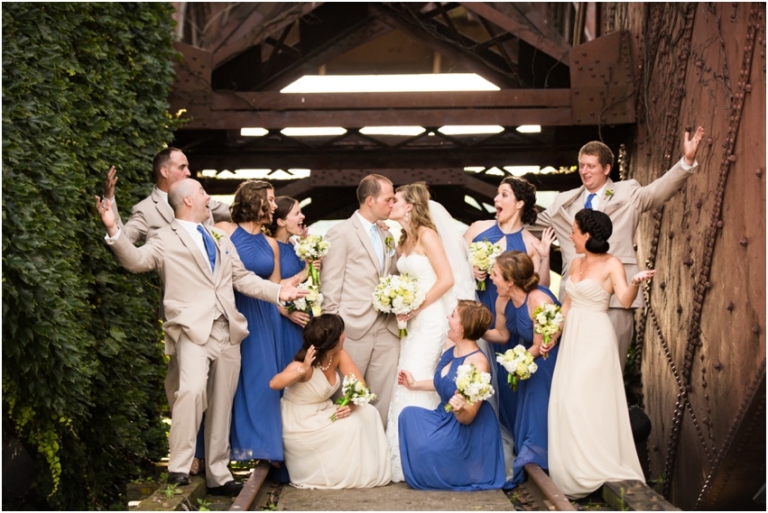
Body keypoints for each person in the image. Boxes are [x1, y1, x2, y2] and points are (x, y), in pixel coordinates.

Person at [94, 179, 306, 495]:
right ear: (188, 201)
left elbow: (242, 278)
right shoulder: (164, 238)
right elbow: (136, 261)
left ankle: (218, 474)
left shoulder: (220, 236)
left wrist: (279, 291)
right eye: (203, 193)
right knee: (191, 392)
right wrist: (114, 229)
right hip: (193, 330)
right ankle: (179, 466)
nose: (209, 197)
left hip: (228, 330)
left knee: (222, 402)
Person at [104, 148, 231, 475]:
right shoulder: (146, 211)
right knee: (185, 389)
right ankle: (186, 459)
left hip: (221, 311)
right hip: (184, 316)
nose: (189, 171)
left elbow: (231, 210)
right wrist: (111, 216)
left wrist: (261, 204)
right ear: (165, 171)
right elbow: (130, 248)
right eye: (183, 166)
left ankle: (212, 464)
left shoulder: (199, 197)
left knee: (216, 393)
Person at [535, 127, 705, 368]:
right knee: (576, 368)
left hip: (615, 294)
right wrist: (488, 225)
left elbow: (657, 192)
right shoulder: (564, 200)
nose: (584, 171)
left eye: (591, 166)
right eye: (582, 165)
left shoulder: (627, 192)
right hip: (575, 298)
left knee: (610, 368)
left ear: (606, 169)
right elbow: (531, 226)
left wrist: (686, 161)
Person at [547, 209, 654, 499]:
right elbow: (567, 306)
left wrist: (634, 282)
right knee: (566, 399)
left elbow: (624, 300)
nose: (570, 234)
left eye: (574, 230)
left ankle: (597, 466)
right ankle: (574, 467)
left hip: (596, 336)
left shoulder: (612, 263)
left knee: (584, 399)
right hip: (572, 338)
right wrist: (551, 335)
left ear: (588, 235)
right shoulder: (576, 262)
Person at [384, 183, 455, 482]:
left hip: (430, 319)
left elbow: (447, 279)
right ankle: (402, 454)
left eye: (395, 200)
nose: (391, 204)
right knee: (404, 377)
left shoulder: (428, 235)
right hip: (411, 321)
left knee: (419, 376)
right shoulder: (402, 239)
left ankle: (426, 452)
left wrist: (416, 306)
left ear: (410, 206)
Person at [270, 314, 391, 489]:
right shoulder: (303, 365)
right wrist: (302, 369)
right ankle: (339, 474)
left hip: (323, 411)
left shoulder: (339, 354)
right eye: (342, 332)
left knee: (368, 412)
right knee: (350, 427)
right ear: (334, 340)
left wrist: (349, 405)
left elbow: (361, 385)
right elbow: (274, 383)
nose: (345, 335)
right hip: (300, 421)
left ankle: (366, 471)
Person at [397, 300, 505, 491]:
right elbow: (445, 383)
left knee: (427, 448)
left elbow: (469, 416)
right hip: (443, 416)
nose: (448, 317)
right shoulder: (450, 346)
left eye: (453, 315)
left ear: (463, 328)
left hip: (466, 428)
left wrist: (459, 408)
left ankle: (459, 468)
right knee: (407, 415)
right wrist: (414, 385)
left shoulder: (478, 364)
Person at [213, 181, 286, 467]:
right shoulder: (223, 231)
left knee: (262, 380)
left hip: (264, 318)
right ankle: (222, 449)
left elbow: (275, 286)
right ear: (254, 201)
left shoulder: (271, 244)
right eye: (270, 199)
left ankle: (263, 448)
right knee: (225, 382)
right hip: (232, 312)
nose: (275, 204)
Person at [319, 174, 400, 426]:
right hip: (351, 330)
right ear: (370, 200)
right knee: (347, 398)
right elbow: (330, 286)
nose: (393, 203)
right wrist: (334, 333)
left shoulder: (388, 235)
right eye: (388, 199)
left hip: (388, 328)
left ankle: (378, 456)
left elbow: (394, 276)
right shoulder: (340, 232)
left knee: (383, 401)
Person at [483, 251, 560, 488]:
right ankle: (532, 458)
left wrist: (517, 361)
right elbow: (503, 334)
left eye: (495, 274)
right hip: (527, 359)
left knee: (536, 406)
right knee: (523, 408)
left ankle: (536, 458)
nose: (490, 278)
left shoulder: (539, 301)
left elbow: (540, 345)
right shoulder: (502, 301)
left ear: (510, 281)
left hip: (546, 359)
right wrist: (475, 331)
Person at [463, 176, 554, 320]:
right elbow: (451, 260)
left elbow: (540, 288)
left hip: (507, 316)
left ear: (519, 204)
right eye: (497, 194)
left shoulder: (532, 244)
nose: (496, 199)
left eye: (504, 195)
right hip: (472, 308)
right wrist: (469, 268)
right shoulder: (477, 228)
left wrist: (545, 257)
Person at [270, 196, 315, 366]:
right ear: (281, 221)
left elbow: (308, 277)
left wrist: (311, 258)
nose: (302, 216)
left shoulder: (295, 244)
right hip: (285, 318)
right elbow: (271, 286)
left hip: (303, 316)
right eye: (297, 213)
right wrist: (305, 272)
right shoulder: (271, 247)